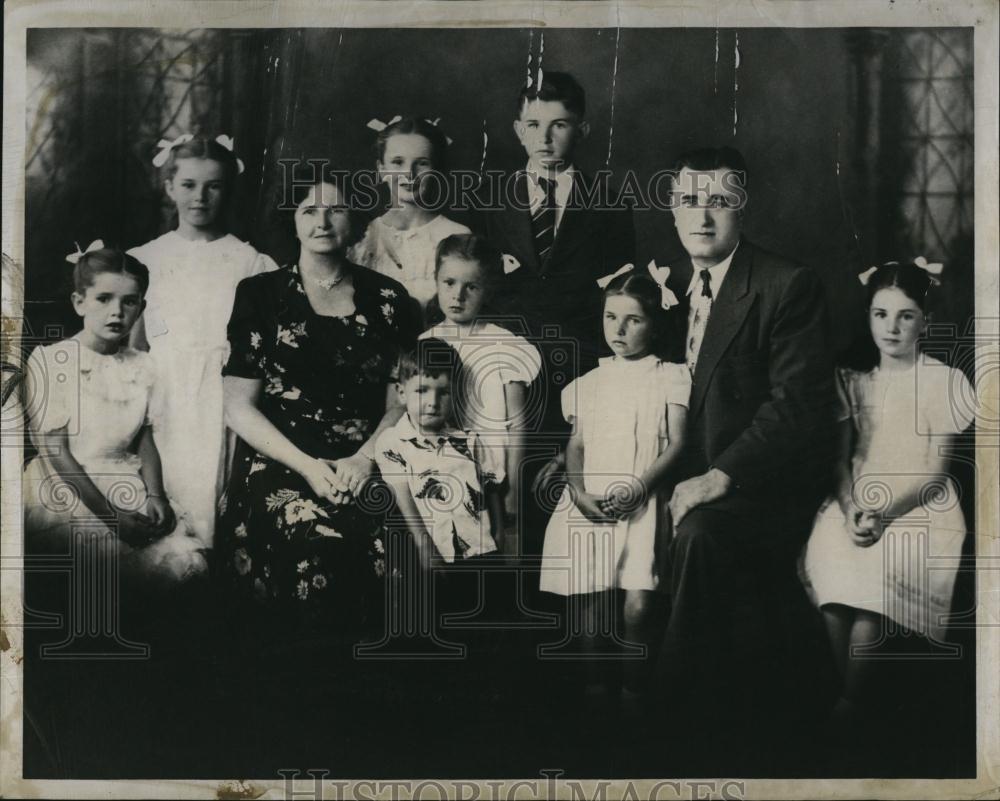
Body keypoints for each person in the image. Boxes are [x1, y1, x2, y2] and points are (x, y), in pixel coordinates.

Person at [652, 147, 836, 756]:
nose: (702, 216)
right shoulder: (660, 284)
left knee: (700, 535)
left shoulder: (785, 284)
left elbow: (795, 406)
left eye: (720, 201)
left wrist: (721, 476)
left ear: (743, 208)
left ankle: (675, 724)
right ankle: (611, 689)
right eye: (689, 200)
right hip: (674, 466)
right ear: (672, 208)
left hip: (761, 480)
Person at [217, 172, 419, 638]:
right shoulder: (260, 295)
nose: (322, 222)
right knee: (319, 548)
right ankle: (304, 676)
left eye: (336, 209)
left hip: (364, 462)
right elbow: (239, 407)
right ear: (292, 220)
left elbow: (401, 400)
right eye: (309, 210)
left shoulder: (389, 299)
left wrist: (364, 458)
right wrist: (309, 467)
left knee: (393, 547)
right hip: (282, 463)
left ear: (356, 220)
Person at [803, 259, 974, 731]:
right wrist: (851, 508)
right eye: (881, 314)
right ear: (868, 317)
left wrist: (886, 514)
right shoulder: (853, 378)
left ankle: (850, 706)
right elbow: (840, 461)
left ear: (926, 322)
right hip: (857, 497)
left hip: (919, 503)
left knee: (874, 583)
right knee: (832, 576)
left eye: (905, 316)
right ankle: (856, 699)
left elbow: (935, 474)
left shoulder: (943, 381)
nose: (891, 327)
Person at [476, 70, 635, 555]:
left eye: (559, 125)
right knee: (505, 502)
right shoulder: (489, 198)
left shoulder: (608, 203)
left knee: (568, 495)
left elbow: (616, 296)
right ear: (517, 130)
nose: (545, 138)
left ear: (581, 130)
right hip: (507, 375)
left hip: (578, 369)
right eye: (534, 125)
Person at [539, 266, 689, 715]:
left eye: (633, 320)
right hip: (592, 502)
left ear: (655, 324)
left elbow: (678, 443)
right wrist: (578, 492)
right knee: (592, 600)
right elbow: (577, 444)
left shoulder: (671, 376)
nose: (618, 330)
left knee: (638, 605)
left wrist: (642, 487)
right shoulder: (590, 383)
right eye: (611, 318)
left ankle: (633, 694)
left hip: (643, 501)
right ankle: (595, 690)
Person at [23, 243, 207, 589]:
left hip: (125, 480)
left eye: (129, 302)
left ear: (141, 308)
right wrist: (112, 518)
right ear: (79, 302)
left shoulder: (142, 365)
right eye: (104, 299)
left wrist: (155, 495)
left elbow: (144, 438)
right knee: (97, 577)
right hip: (68, 487)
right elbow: (55, 451)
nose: (117, 312)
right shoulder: (52, 361)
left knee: (181, 566)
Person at [128, 134, 278, 550]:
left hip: (222, 393)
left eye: (213, 186)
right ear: (169, 187)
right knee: (167, 495)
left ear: (227, 191)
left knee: (215, 493)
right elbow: (134, 345)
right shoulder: (145, 259)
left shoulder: (250, 263)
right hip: (164, 392)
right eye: (189, 185)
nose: (200, 197)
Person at [420, 233, 542, 555]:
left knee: (499, 556)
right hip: (441, 476)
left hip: (494, 481)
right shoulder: (425, 344)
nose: (458, 295)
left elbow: (518, 424)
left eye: (471, 287)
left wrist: (514, 491)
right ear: (436, 280)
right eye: (449, 283)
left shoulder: (505, 345)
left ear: (487, 290)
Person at [375, 338, 506, 570]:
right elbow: (403, 499)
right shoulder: (392, 442)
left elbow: (491, 487)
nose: (433, 403)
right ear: (401, 393)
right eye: (421, 391)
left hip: (481, 549)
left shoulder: (470, 441)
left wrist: (499, 531)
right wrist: (425, 547)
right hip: (433, 553)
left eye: (443, 392)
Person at [351, 116, 470, 313]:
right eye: (397, 162)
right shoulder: (362, 237)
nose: (409, 173)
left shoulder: (457, 236)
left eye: (421, 163)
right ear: (381, 169)